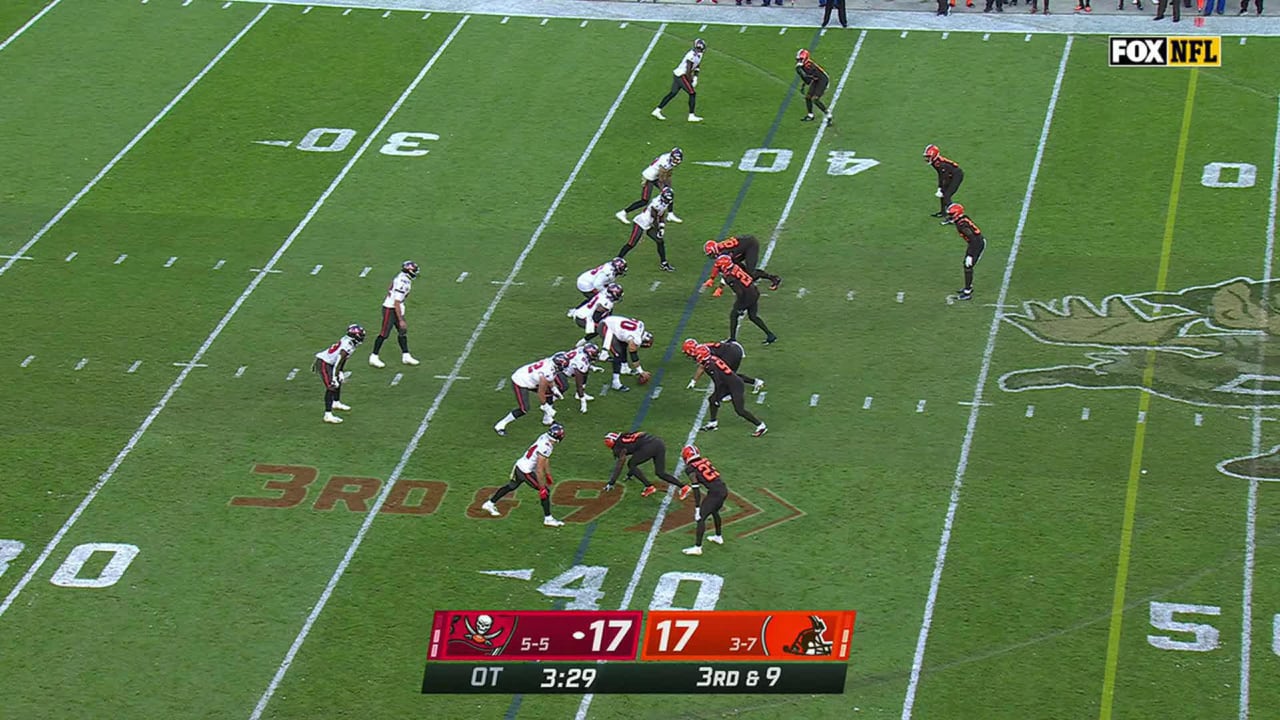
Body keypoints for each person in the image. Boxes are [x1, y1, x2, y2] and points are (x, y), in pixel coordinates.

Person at [480, 423, 566, 527]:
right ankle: (548, 518)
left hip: (519, 465)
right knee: (546, 492)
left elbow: (546, 459)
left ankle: (489, 503)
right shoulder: (546, 447)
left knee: (511, 486)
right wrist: (542, 487)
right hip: (525, 471)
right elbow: (539, 469)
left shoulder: (545, 437)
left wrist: (548, 474)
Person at [694, 343, 768, 437]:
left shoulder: (709, 366)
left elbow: (718, 382)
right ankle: (713, 423)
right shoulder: (712, 359)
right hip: (729, 383)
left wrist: (719, 395)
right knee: (712, 400)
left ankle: (761, 426)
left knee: (740, 410)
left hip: (735, 385)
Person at [493, 352, 569, 436]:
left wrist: (554, 388)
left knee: (550, 392)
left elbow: (550, 378)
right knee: (524, 409)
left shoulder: (550, 363)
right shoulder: (546, 371)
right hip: (521, 381)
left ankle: (547, 419)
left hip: (530, 378)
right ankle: (500, 425)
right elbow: (541, 393)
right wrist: (546, 407)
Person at [603, 431, 691, 499]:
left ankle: (649, 487)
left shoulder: (619, 447)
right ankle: (684, 487)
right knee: (660, 472)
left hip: (649, 446)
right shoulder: (624, 436)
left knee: (631, 464)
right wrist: (630, 474)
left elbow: (620, 465)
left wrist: (611, 482)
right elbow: (641, 436)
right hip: (658, 443)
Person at [714, 254, 777, 345]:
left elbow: (740, 293)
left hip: (747, 296)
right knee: (753, 316)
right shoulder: (735, 267)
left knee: (733, 315)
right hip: (754, 291)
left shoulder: (730, 277)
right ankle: (770, 335)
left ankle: (732, 339)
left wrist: (739, 306)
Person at [368, 261, 421, 369]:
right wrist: (400, 319)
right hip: (390, 308)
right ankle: (374, 356)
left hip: (396, 306)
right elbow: (396, 301)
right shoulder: (402, 281)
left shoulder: (404, 278)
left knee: (402, 331)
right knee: (384, 333)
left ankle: (406, 355)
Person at [680, 445, 727, 555]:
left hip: (715, 493)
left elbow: (696, 488)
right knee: (715, 511)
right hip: (723, 489)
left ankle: (697, 547)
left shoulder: (690, 469)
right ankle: (718, 536)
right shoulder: (704, 461)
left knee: (701, 518)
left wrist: (697, 508)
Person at [616, 148, 683, 225]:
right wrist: (664, 189)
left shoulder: (669, 160)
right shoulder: (665, 161)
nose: (677, 162)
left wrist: (668, 187)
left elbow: (668, 174)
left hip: (656, 177)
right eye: (675, 159)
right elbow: (662, 177)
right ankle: (622, 213)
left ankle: (670, 214)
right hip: (649, 177)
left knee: (669, 191)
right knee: (644, 200)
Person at [313, 324, 364, 424]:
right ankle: (328, 415)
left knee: (338, 380)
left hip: (330, 362)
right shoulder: (347, 346)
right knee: (331, 386)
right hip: (324, 362)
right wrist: (335, 376)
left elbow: (342, 360)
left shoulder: (349, 342)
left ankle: (336, 403)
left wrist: (340, 372)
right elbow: (338, 362)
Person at [617, 186, 676, 272]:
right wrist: (659, 229)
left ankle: (664, 263)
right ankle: (618, 259)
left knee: (660, 241)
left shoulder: (666, 200)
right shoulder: (656, 203)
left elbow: (661, 214)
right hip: (641, 222)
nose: (667, 202)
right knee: (631, 243)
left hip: (650, 223)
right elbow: (655, 218)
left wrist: (662, 227)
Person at [683, 338, 764, 393]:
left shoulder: (700, 352)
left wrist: (693, 381)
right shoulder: (701, 348)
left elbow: (701, 367)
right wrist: (693, 381)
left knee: (727, 376)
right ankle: (756, 382)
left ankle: (729, 392)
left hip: (731, 353)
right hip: (734, 348)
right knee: (730, 375)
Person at [652, 38, 705, 123]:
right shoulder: (691, 55)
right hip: (681, 75)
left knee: (672, 93)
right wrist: (691, 80)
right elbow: (688, 70)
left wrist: (696, 77)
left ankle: (657, 110)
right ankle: (691, 115)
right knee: (692, 93)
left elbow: (697, 65)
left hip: (678, 75)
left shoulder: (699, 54)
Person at [702, 235, 781, 291]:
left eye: (711, 254)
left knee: (750, 274)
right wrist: (712, 279)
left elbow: (725, 270)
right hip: (742, 247)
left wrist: (720, 288)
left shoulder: (724, 253)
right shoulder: (721, 249)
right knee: (735, 267)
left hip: (750, 245)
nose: (711, 256)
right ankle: (744, 277)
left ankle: (774, 278)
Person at [600, 315, 654, 392]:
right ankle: (615, 382)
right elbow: (633, 355)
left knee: (623, 344)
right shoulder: (637, 339)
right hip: (606, 327)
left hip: (613, 323)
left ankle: (624, 368)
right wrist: (641, 371)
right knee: (617, 354)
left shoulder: (641, 325)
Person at [944, 203, 986, 301]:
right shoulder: (962, 219)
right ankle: (968, 287)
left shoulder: (962, 225)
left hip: (977, 244)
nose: (950, 216)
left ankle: (967, 292)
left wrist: (970, 255)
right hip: (974, 243)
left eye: (951, 214)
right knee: (966, 265)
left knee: (968, 266)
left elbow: (973, 240)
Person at [560, 343, 602, 414]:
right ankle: (547, 403)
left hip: (568, 365)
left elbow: (583, 363)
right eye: (594, 354)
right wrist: (583, 403)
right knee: (563, 387)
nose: (596, 356)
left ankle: (578, 394)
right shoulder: (581, 360)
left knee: (585, 371)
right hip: (560, 371)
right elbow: (578, 383)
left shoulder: (582, 350)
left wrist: (592, 367)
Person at [794, 50, 833, 126]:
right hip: (816, 79)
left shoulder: (809, 67)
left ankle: (828, 115)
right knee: (808, 97)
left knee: (815, 99)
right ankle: (810, 115)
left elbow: (808, 80)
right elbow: (809, 79)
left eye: (800, 59)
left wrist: (800, 73)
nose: (799, 61)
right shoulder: (805, 65)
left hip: (822, 80)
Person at [923, 145, 963, 219]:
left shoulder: (940, 164)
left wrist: (942, 187)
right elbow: (940, 174)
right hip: (950, 174)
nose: (927, 158)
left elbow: (945, 177)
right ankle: (943, 212)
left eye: (928, 156)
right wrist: (940, 187)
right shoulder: (936, 162)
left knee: (947, 195)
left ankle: (955, 215)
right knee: (943, 193)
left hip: (956, 176)